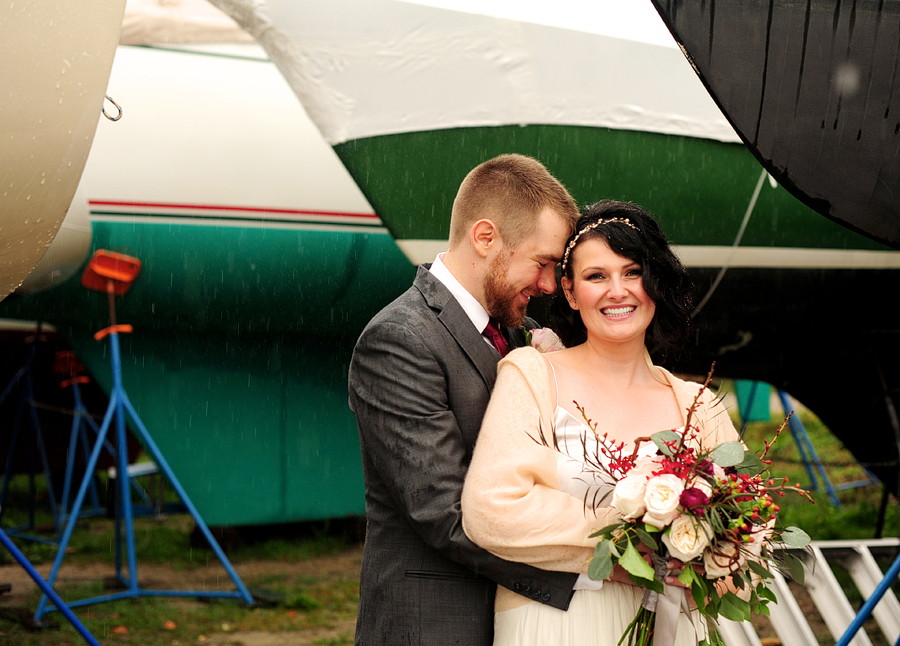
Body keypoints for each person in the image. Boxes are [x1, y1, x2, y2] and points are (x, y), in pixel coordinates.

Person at [461, 200, 742, 645]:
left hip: (679, 628)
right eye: (596, 276)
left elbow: (744, 537)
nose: (618, 291)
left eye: (633, 272)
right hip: (554, 626)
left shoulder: (699, 407)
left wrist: (710, 550)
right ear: (570, 292)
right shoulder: (532, 376)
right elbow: (489, 510)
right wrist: (632, 540)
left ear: (657, 284)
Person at [348, 154, 585, 646]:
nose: (546, 286)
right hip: (435, 624)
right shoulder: (399, 340)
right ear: (485, 237)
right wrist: (591, 568)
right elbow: (444, 510)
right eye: (541, 263)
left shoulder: (527, 336)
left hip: (522, 624)